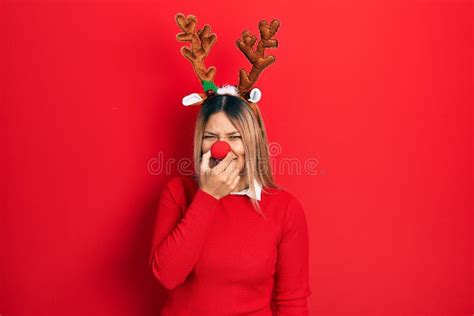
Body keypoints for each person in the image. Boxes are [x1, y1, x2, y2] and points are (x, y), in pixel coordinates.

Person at [148, 13, 311, 315]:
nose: (222, 146)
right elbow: (167, 276)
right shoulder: (178, 193)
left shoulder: (285, 209)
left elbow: (291, 301)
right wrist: (207, 196)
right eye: (211, 135)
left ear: (252, 141)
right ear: (201, 140)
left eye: (234, 136)